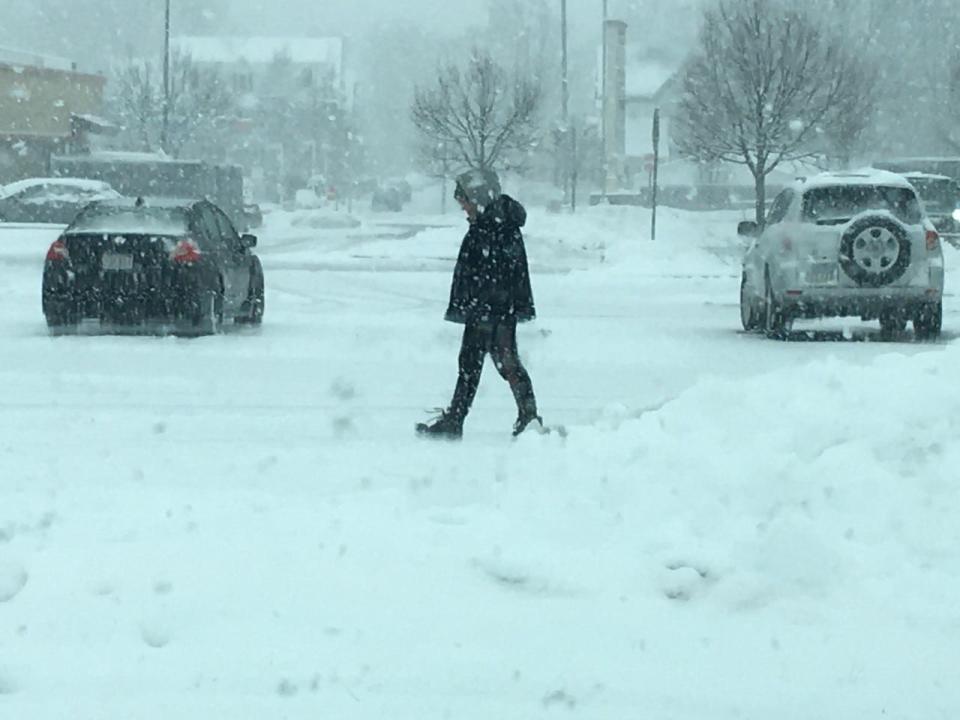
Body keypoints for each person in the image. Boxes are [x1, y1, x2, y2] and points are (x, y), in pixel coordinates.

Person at [417, 168, 541, 439]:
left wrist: (484, 305)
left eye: (465, 200)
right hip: (487, 310)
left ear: (479, 197)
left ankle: (525, 417)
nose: (463, 207)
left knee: (498, 363)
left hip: (491, 311)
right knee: (482, 364)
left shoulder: (496, 226)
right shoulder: (493, 223)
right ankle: (464, 419)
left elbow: (499, 274)